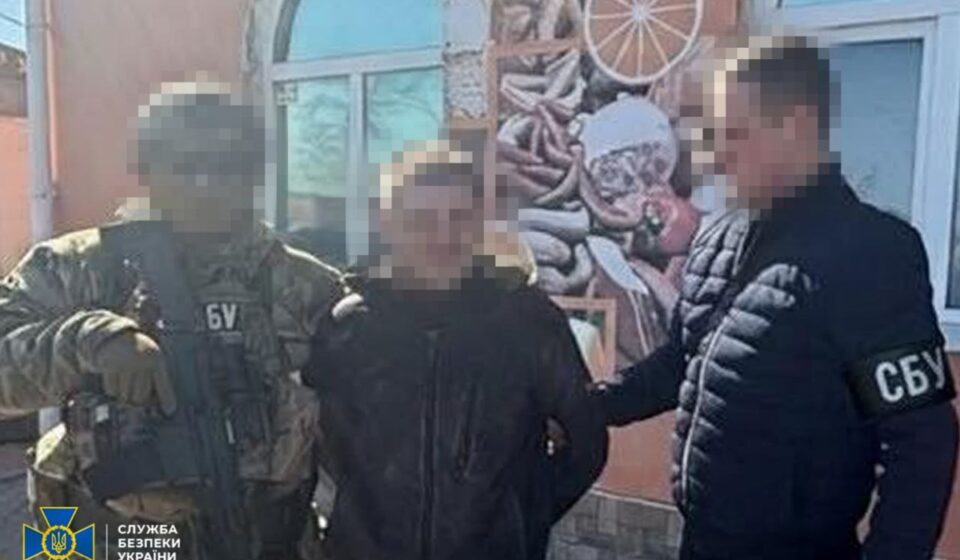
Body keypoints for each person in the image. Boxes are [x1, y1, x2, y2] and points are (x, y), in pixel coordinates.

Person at [592, 35, 959, 560]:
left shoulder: (871, 254)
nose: (717, 157)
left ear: (799, 126)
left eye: (735, 134)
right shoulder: (716, 239)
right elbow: (679, 363)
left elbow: (922, 444)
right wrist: (586, 406)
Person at [0, 81, 341, 559]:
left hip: (265, 539)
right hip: (120, 541)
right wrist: (92, 340)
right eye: (185, 164)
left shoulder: (299, 282)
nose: (205, 183)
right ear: (146, 169)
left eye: (226, 165)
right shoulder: (81, 267)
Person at [304, 140, 608, 560]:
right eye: (423, 219)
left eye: (458, 218)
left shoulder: (527, 322)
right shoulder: (348, 328)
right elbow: (323, 445)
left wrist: (523, 517)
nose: (442, 235)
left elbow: (586, 443)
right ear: (389, 223)